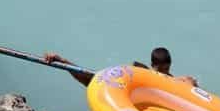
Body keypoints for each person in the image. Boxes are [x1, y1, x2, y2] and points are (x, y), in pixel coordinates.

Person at [43, 45, 196, 88]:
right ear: (152, 66)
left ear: (170, 66)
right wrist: (63, 62)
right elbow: (92, 80)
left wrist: (191, 83)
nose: (162, 73)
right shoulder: (142, 74)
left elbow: (189, 84)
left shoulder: (178, 81)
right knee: (95, 80)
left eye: (165, 69)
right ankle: (63, 61)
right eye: (159, 70)